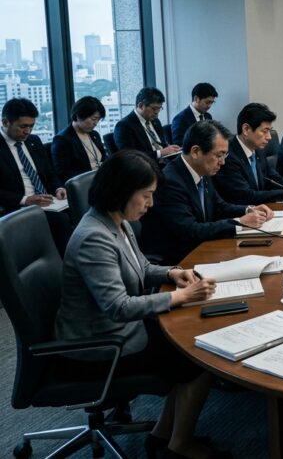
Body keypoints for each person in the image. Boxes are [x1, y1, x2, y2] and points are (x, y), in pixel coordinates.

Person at [53, 150, 226, 459]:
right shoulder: (95, 237)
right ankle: (179, 445)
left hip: (118, 330)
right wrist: (179, 296)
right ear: (122, 192)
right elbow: (118, 307)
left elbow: (142, 268)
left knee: (187, 344)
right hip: (98, 344)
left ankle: (162, 436)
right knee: (197, 357)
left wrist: (173, 273)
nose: (151, 203)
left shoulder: (116, 220)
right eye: (146, 196)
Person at [141, 120, 272, 265]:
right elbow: (190, 230)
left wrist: (248, 209)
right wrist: (239, 223)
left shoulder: (202, 170)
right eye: (219, 155)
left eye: (225, 155)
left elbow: (219, 206)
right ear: (196, 152)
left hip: (202, 249)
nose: (222, 162)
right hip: (179, 261)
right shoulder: (171, 182)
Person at [0, 98, 71, 252]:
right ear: (5, 122)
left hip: (48, 201)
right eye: (23, 126)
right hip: (18, 207)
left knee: (83, 207)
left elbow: (49, 172)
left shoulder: (33, 141)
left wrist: (58, 187)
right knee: (61, 221)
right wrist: (25, 200)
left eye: (31, 126)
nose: (28, 131)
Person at [213, 103, 283, 205]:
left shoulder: (257, 149)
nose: (269, 137)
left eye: (270, 131)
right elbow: (245, 196)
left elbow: (274, 179)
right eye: (265, 131)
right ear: (246, 129)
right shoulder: (228, 155)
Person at [113, 87, 181, 161]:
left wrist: (172, 150)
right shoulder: (124, 126)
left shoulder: (155, 121)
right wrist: (160, 153)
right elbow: (130, 157)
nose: (157, 112)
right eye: (154, 108)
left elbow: (163, 146)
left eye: (159, 108)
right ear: (141, 106)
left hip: (166, 163)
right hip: (146, 168)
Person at [51, 95, 107, 184]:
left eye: (98, 120)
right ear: (78, 116)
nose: (95, 123)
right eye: (93, 119)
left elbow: (104, 158)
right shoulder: (62, 139)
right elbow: (63, 172)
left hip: (101, 180)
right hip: (84, 184)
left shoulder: (94, 135)